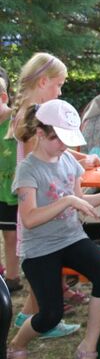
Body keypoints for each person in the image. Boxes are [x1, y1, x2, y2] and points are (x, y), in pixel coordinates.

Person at [10, 99, 100, 359]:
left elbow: (80, 199)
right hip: (40, 248)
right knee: (50, 316)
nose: (64, 146)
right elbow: (30, 218)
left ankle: (88, 349)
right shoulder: (28, 169)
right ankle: (17, 346)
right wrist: (68, 200)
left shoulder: (69, 160)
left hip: (71, 238)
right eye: (57, 139)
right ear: (40, 133)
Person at [8, 53, 90, 339]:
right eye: (59, 84)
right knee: (45, 268)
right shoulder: (35, 118)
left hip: (44, 204)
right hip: (41, 206)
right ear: (43, 82)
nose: (61, 91)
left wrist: (81, 159)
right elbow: (43, 160)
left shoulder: (32, 113)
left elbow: (56, 151)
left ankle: (29, 317)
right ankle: (40, 321)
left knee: (45, 272)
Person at [0, 68, 22, 293]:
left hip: (13, 189)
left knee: (12, 234)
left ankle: (12, 278)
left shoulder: (16, 122)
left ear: (4, 97)